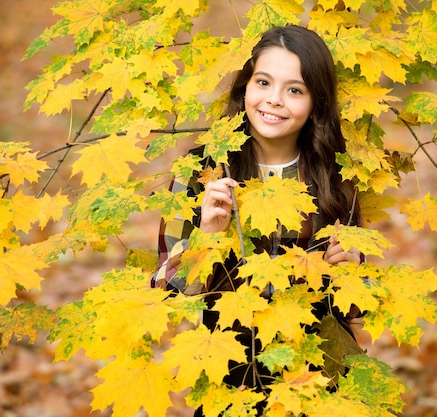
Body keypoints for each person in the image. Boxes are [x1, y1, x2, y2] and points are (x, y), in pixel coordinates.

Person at [151, 24, 363, 391]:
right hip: (230, 376)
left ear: (316, 103)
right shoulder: (202, 170)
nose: (274, 99)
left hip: (314, 374)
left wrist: (353, 271)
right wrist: (207, 240)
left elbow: (357, 309)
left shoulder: (334, 176)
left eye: (294, 90)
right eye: (263, 82)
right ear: (245, 86)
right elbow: (163, 295)